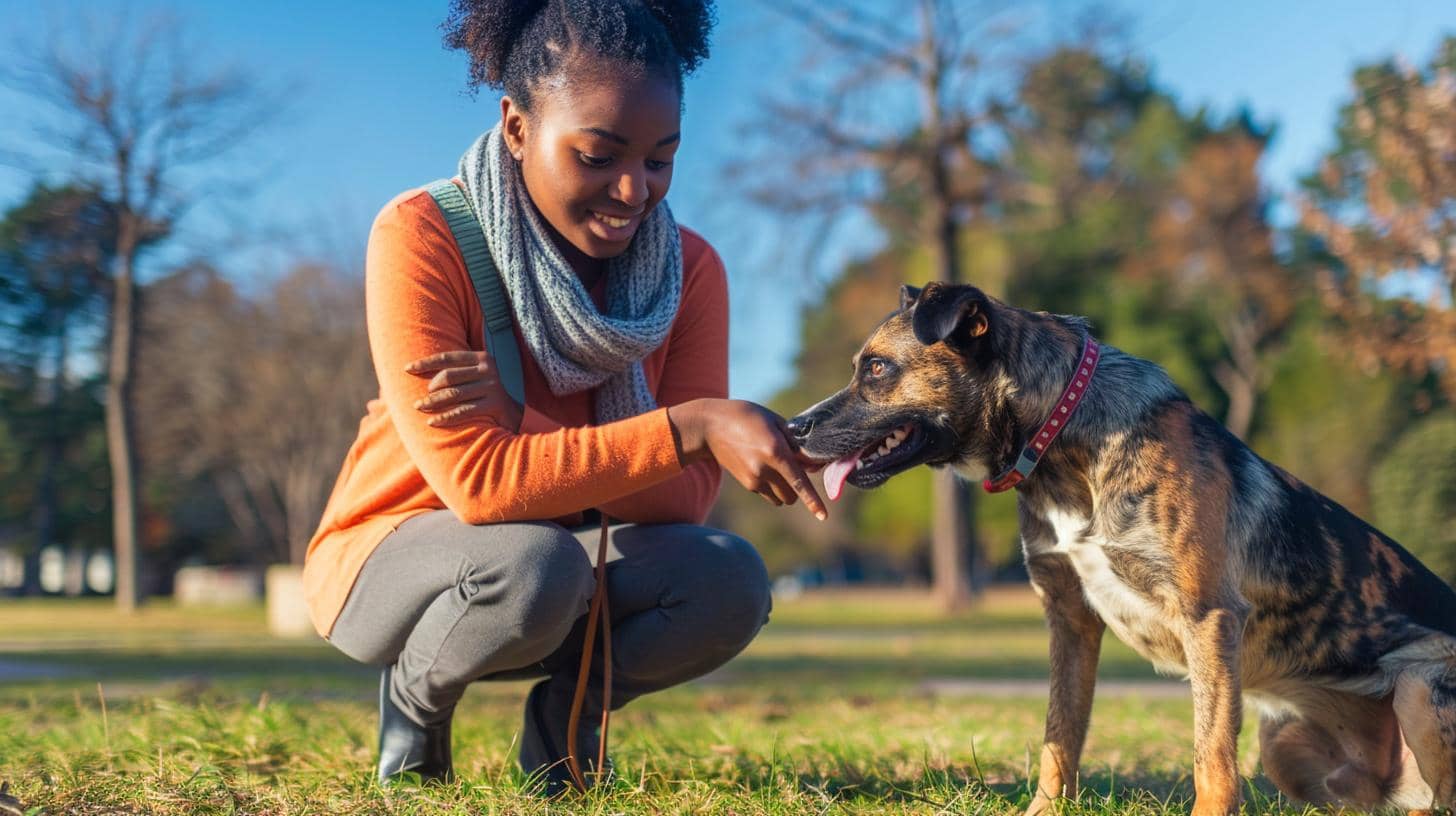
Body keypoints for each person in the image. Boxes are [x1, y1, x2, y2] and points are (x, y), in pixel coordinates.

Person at [301, 0, 826, 792]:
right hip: (393, 556)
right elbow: (480, 487)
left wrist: (522, 418)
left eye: (660, 159)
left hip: (565, 559)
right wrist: (690, 424)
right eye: (596, 155)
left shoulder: (689, 274)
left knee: (727, 579)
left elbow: (681, 501)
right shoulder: (423, 236)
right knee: (533, 563)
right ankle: (415, 704)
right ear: (516, 126)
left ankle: (564, 726)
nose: (632, 190)